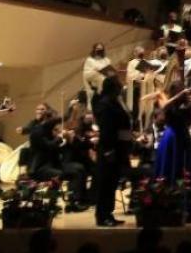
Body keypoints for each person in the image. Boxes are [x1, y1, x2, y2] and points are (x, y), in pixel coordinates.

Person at [153, 76, 191, 221]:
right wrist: (178, 97)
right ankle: (167, 208)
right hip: (171, 138)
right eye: (179, 90)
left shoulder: (186, 104)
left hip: (183, 137)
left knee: (186, 170)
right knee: (170, 169)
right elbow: (164, 108)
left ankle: (189, 211)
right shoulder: (168, 102)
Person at [92, 75, 132, 227]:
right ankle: (102, 217)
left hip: (118, 148)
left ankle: (108, 214)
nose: (121, 88)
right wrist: (109, 151)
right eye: (118, 86)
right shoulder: (105, 104)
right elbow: (107, 130)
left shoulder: (113, 102)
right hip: (110, 149)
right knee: (106, 184)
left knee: (112, 182)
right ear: (112, 88)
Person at [29, 114, 90, 211]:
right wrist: (60, 137)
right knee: (66, 174)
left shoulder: (48, 131)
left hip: (54, 164)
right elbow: (49, 146)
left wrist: (69, 139)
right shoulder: (37, 133)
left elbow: (59, 148)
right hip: (41, 167)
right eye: (52, 122)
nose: (54, 125)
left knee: (79, 168)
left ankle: (78, 200)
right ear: (45, 121)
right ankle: (65, 202)